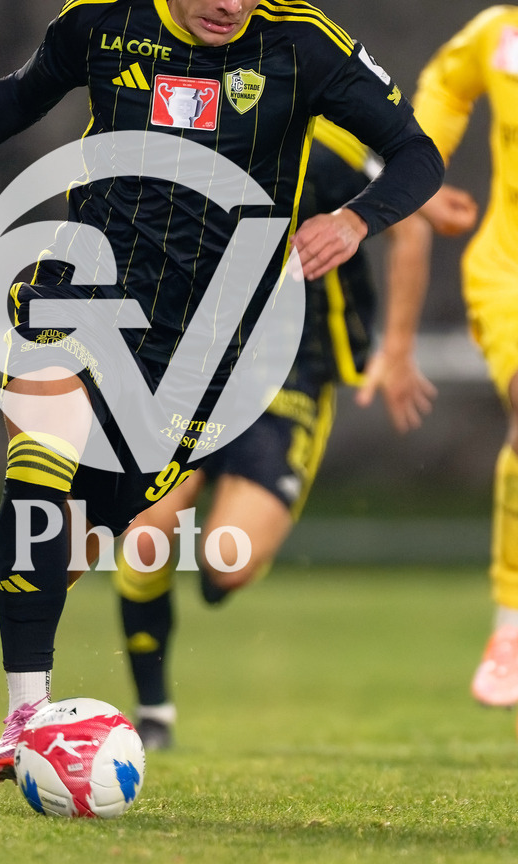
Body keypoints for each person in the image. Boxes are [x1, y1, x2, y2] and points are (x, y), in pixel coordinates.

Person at [0, 0, 443, 784]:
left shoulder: (304, 50)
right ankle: (26, 718)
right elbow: (19, 94)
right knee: (44, 481)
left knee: (83, 536)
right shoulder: (104, 22)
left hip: (200, 350)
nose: (232, 1)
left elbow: (419, 153)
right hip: (74, 296)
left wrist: (359, 217)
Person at [114, 117, 472, 749]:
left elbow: (411, 216)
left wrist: (397, 348)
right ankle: (154, 714)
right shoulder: (159, 133)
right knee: (144, 539)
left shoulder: (319, 144)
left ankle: (220, 521)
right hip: (187, 373)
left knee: (227, 564)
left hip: (291, 378)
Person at [412, 6, 518, 711]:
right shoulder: (499, 35)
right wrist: (423, 168)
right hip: (508, 269)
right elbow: (446, 87)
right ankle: (512, 623)